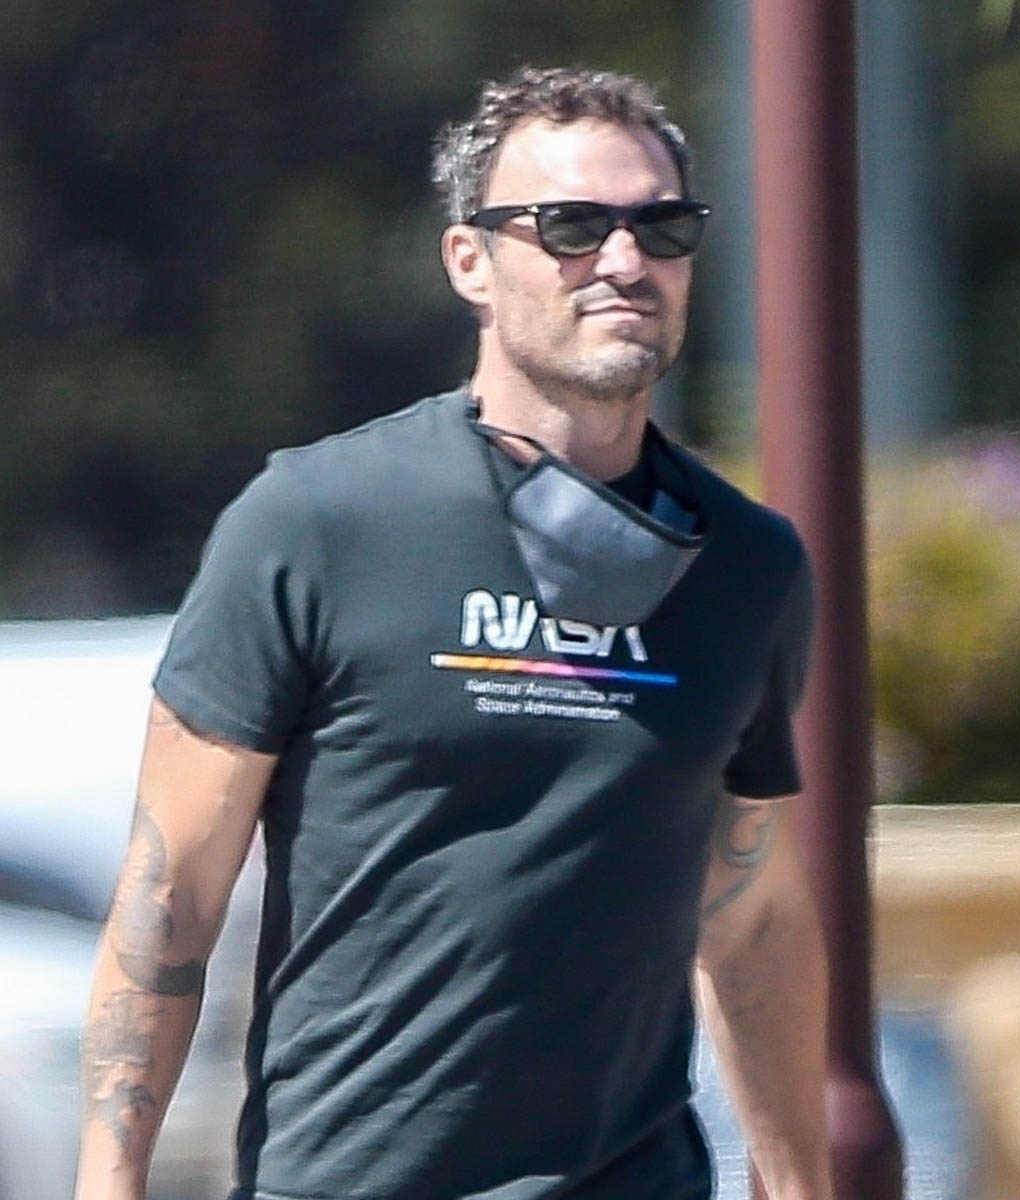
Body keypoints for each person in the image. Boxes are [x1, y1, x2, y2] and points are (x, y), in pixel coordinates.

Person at [76, 65, 832, 1200]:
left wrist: (805, 1186)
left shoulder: (748, 565)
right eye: (571, 227)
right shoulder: (316, 521)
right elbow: (171, 888)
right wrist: (108, 1181)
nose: (625, 261)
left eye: (662, 227)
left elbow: (751, 912)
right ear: (469, 261)